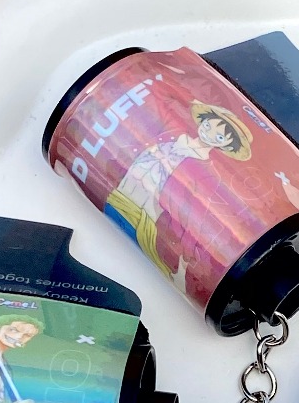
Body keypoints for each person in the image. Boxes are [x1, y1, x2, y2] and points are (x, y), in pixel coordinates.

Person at [103, 101, 253, 295]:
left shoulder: (205, 171)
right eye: (209, 125)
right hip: (122, 192)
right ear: (202, 121)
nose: (209, 133)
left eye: (219, 136)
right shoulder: (171, 141)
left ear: (226, 145)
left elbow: (189, 211)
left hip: (147, 214)